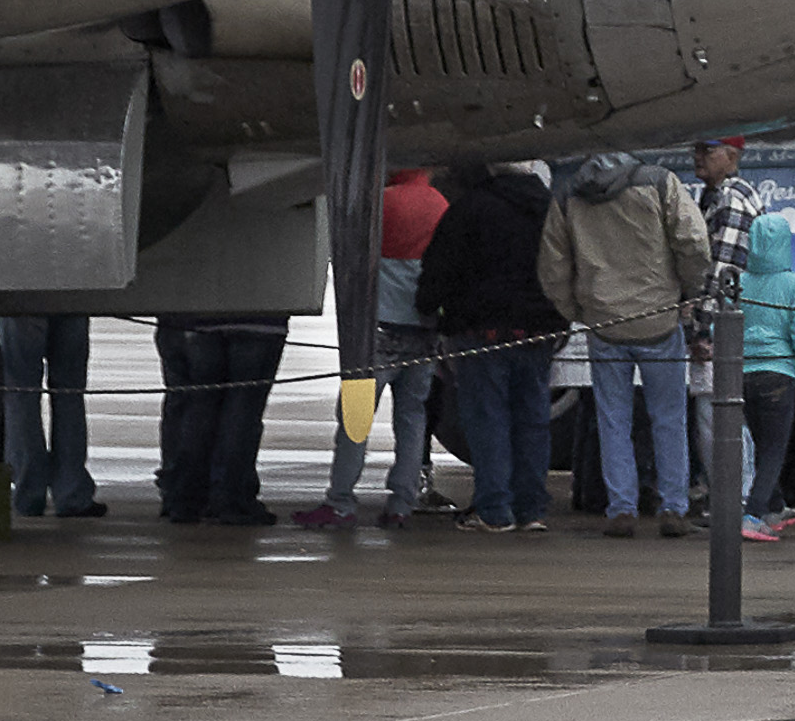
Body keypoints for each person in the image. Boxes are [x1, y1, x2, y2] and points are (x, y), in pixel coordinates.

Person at [544, 150, 712, 538]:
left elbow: (553, 265)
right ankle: (673, 506)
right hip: (659, 319)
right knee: (669, 419)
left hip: (605, 323)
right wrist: (687, 292)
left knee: (612, 420)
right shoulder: (660, 182)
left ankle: (621, 508)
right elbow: (693, 242)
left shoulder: (568, 193)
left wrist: (579, 309)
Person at [419, 156, 559, 534]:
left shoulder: (471, 208)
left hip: (482, 332)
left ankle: (494, 509)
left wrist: (429, 308)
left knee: (487, 420)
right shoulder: (550, 209)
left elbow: (440, 266)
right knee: (533, 421)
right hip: (540, 330)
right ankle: (531, 509)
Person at [313, 161, 449, 524]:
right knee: (412, 417)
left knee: (355, 417)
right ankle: (402, 502)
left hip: (375, 333)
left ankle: (341, 498)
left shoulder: (379, 202)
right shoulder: (439, 205)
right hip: (422, 333)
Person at [721, 152, 795, 541]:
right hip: (778, 373)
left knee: (762, 442)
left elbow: (723, 323)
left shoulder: (740, 281)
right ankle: (752, 516)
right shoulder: (793, 284)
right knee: (776, 448)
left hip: (741, 374)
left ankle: (776, 508)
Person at [149, 308, 288, 526]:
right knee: (243, 410)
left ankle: (188, 497)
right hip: (261, 318)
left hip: (203, 318)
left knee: (200, 407)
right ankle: (231, 497)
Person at [0, 305, 99, 521]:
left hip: (20, 295)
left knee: (20, 394)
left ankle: (28, 493)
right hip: (73, 291)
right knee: (69, 393)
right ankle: (72, 493)